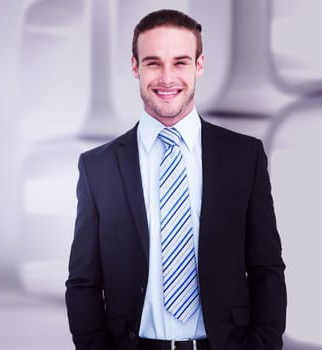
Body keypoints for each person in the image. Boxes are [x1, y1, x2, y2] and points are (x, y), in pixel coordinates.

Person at [65, 9, 286, 350]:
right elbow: (83, 281)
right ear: (135, 67)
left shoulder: (244, 157)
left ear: (199, 65)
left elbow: (266, 268)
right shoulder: (99, 167)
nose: (167, 78)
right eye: (153, 62)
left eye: (180, 62)